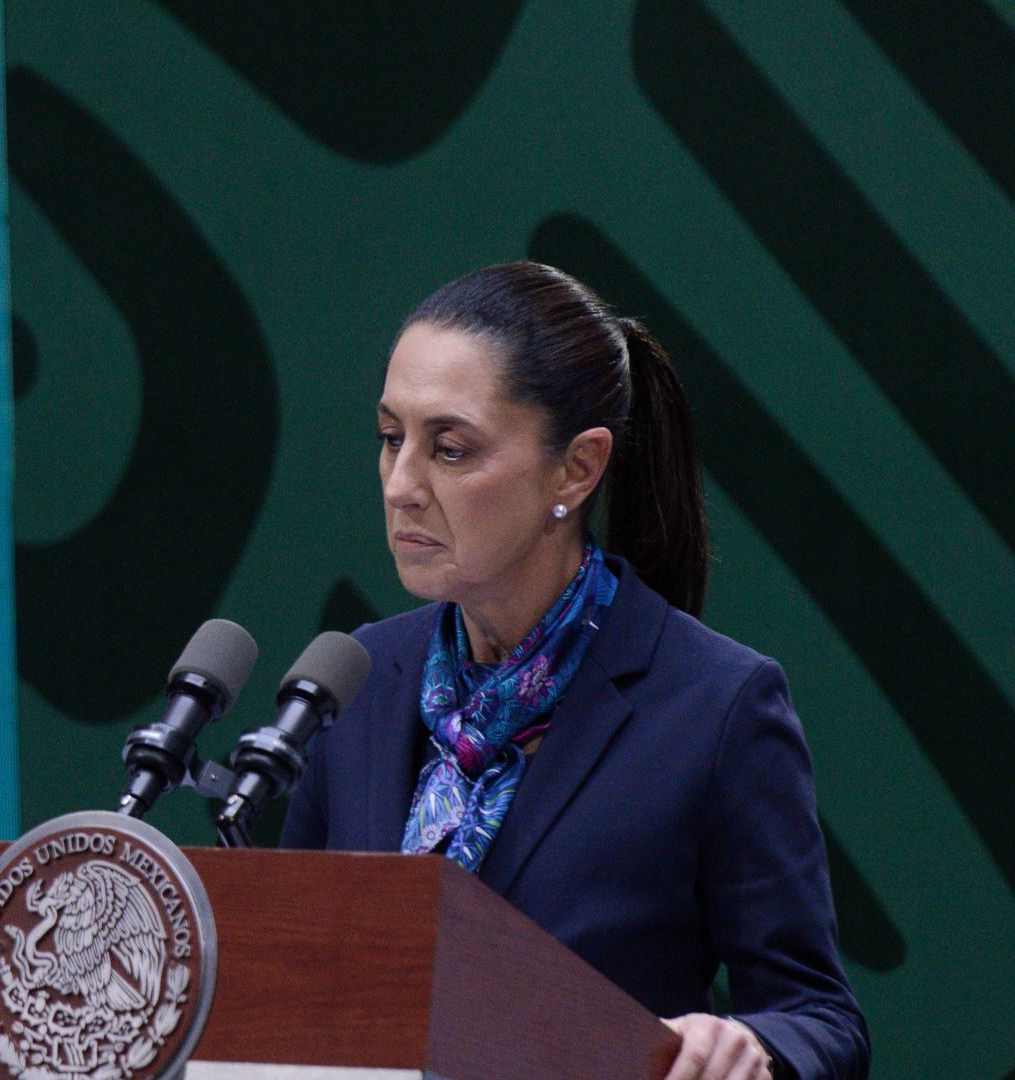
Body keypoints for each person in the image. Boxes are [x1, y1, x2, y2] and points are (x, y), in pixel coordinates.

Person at [281, 262, 868, 1080]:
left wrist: (753, 1046)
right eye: (390, 438)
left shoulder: (718, 706)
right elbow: (275, 981)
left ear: (577, 469)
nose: (402, 485)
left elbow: (822, 1018)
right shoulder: (361, 675)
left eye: (449, 448)